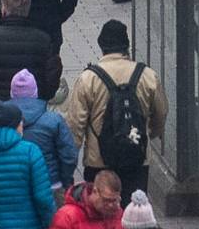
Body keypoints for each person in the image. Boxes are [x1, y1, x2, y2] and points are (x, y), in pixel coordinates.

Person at [60, 21, 164, 194]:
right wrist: (148, 134)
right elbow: (160, 114)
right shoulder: (147, 76)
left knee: (101, 213)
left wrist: (69, 161)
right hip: (136, 157)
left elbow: (75, 125)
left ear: (102, 46)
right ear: (127, 46)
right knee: (133, 212)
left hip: (99, 161)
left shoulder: (88, 78)